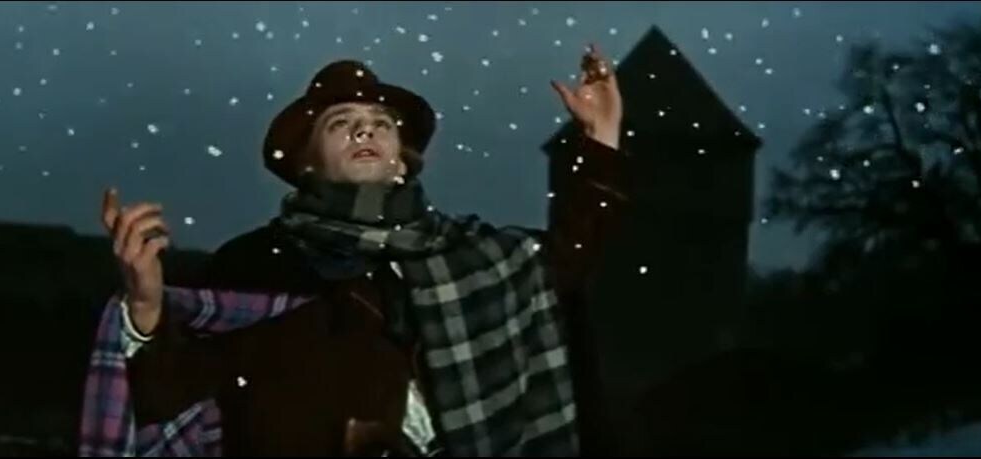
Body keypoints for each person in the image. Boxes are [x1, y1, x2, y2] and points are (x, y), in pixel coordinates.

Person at [79, 43, 631, 457]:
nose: (365, 132)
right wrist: (146, 307)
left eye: (379, 124)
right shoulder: (257, 262)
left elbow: (566, 258)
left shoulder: (468, 251)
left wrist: (601, 138)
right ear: (307, 162)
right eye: (341, 124)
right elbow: (173, 393)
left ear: (401, 159)